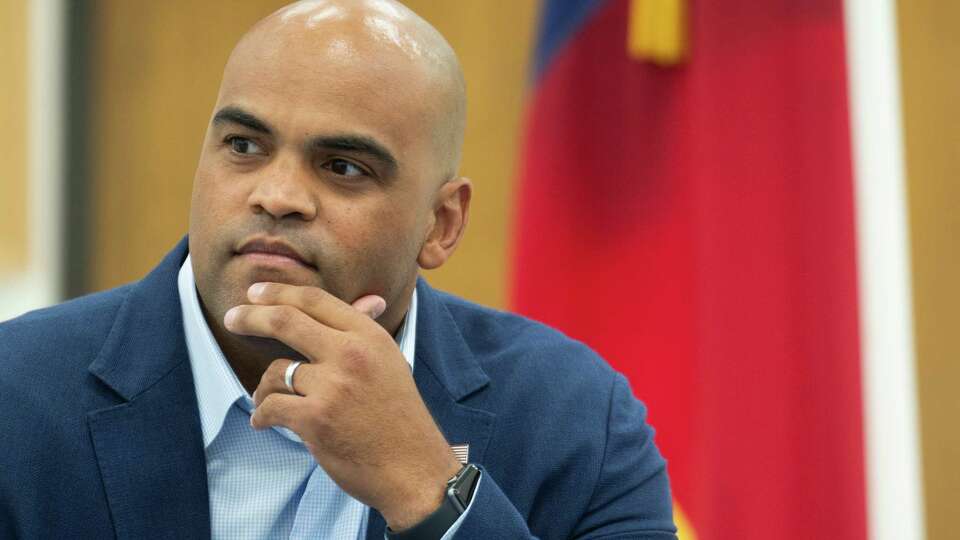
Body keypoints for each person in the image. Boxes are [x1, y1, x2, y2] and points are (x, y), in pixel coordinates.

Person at [0, 1, 676, 538]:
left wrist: (427, 490)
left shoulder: (576, 419)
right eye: (243, 145)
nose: (277, 195)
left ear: (440, 226)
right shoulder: (17, 396)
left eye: (343, 167)